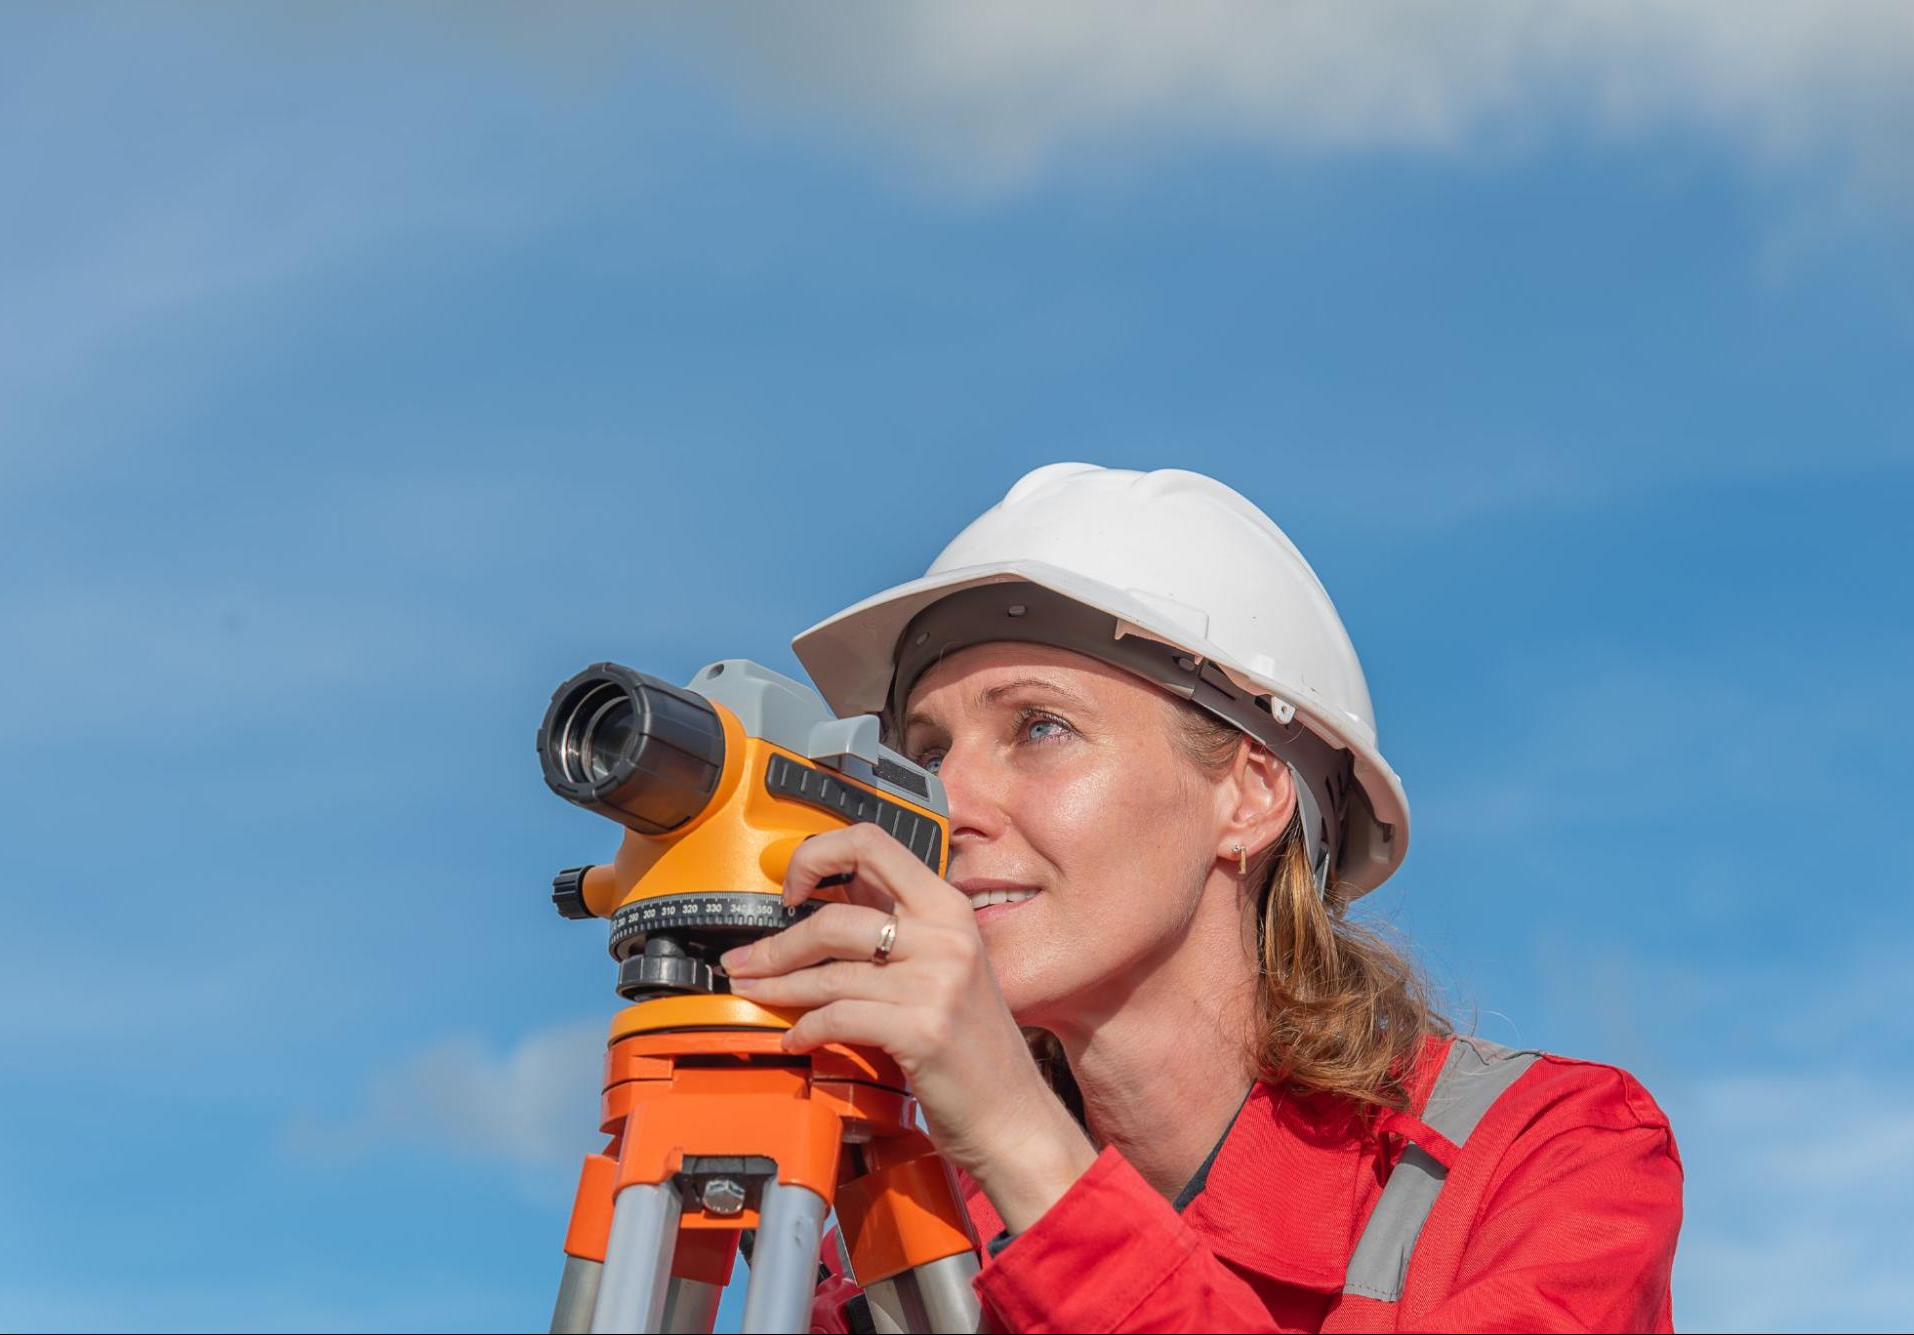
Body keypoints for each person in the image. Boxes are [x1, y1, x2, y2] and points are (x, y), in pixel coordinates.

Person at [718, 464, 1682, 1333]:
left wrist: (1019, 1136)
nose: (946, 804)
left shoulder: (1547, 1156)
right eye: (930, 752)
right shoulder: (914, 1243)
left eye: (1040, 727)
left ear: (1250, 792)